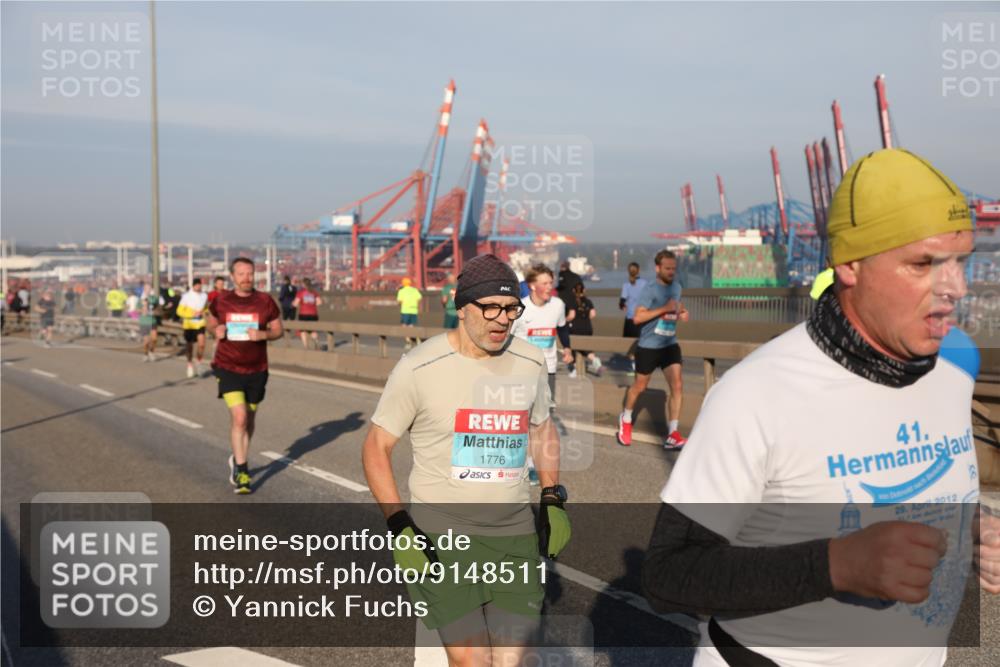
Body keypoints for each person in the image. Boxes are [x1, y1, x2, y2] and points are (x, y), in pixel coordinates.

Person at [642, 148, 999, 666]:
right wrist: (836, 565)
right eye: (924, 263)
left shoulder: (950, 373)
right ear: (851, 264)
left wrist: (971, 528)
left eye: (960, 262)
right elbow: (670, 575)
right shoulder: (756, 393)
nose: (956, 289)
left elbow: (922, 489)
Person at [362, 253, 569, 666]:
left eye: (511, 309)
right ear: (462, 306)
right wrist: (399, 523)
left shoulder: (529, 361)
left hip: (514, 536)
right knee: (473, 662)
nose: (502, 320)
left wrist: (552, 497)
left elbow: (542, 427)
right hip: (443, 538)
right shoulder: (419, 367)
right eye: (490, 307)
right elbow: (376, 447)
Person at [207, 257, 283, 495]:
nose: (246, 278)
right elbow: (210, 322)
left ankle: (238, 457)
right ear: (232, 277)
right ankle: (242, 470)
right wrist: (215, 329)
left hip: (257, 368)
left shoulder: (265, 301)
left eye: (249, 273)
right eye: (241, 274)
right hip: (227, 366)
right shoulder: (221, 301)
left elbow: (278, 330)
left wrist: (264, 336)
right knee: (239, 417)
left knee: (249, 419)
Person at [616, 250, 689, 449]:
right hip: (649, 346)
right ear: (658, 268)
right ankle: (626, 418)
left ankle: (673, 433)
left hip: (669, 344)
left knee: (677, 385)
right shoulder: (649, 289)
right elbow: (638, 318)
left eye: (674, 268)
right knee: (639, 386)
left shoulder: (677, 287)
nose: (671, 272)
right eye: (667, 268)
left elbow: (675, 304)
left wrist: (681, 311)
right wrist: (665, 308)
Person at [510, 264, 574, 485]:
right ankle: (527, 463)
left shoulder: (558, 305)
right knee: (525, 420)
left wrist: (567, 348)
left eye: (551, 282)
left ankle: (534, 462)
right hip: (523, 372)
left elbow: (562, 328)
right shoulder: (520, 309)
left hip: (549, 370)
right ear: (532, 286)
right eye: (545, 283)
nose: (550, 287)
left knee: (542, 420)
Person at [567, 282, 601, 378]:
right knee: (586, 347)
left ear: (574, 291)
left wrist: (565, 320)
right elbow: (593, 314)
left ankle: (573, 370)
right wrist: (585, 318)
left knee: (572, 348)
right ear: (584, 290)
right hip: (587, 327)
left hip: (575, 328)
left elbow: (572, 315)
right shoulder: (588, 301)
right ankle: (595, 360)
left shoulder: (573, 302)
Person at [619, 261, 648, 374]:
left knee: (630, 344)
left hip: (630, 319)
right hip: (642, 318)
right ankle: (641, 366)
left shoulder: (626, 285)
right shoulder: (645, 283)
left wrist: (625, 306)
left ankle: (633, 367)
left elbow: (621, 303)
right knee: (642, 343)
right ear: (639, 270)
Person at [177, 278, 209, 378]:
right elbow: (179, 311)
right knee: (189, 346)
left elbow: (206, 308)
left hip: (200, 324)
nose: (198, 287)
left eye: (200, 285)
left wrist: (204, 312)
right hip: (189, 324)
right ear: (193, 286)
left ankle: (199, 362)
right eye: (196, 285)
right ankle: (190, 364)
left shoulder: (204, 296)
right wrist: (191, 314)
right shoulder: (186, 296)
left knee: (202, 344)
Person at [292, 277, 322, 349]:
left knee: (303, 331)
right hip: (313, 314)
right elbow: (320, 302)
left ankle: (306, 347)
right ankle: (316, 341)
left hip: (303, 314)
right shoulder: (314, 292)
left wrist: (293, 304)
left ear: (303, 284)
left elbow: (295, 304)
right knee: (313, 330)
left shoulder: (301, 292)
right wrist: (312, 304)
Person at [139, 284, 163, 362]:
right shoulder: (140, 299)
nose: (148, 290)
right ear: (144, 289)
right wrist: (142, 311)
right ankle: (145, 354)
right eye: (146, 289)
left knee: (154, 339)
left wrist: (156, 311)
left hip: (153, 321)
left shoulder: (154, 298)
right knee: (146, 342)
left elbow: (159, 307)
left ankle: (151, 352)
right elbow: (136, 309)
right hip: (144, 322)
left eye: (149, 288)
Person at [396, 277, 422, 349]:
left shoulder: (401, 291)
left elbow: (399, 301)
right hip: (414, 310)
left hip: (405, 310)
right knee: (411, 326)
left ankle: (408, 341)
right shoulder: (414, 290)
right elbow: (419, 298)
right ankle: (417, 339)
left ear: (403, 284)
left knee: (404, 326)